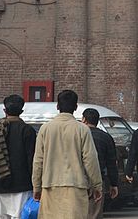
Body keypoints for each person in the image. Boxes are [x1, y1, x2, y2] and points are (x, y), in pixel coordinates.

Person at [31, 90, 103, 218]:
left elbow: (38, 161)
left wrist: (36, 187)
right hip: (76, 187)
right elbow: (90, 159)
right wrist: (97, 185)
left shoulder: (45, 129)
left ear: (57, 106)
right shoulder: (82, 129)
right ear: (76, 107)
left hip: (50, 187)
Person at [82, 108, 119, 219]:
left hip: (78, 179)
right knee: (95, 214)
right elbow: (111, 163)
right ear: (97, 121)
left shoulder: (78, 135)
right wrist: (114, 183)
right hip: (98, 179)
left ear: (84, 119)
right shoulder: (105, 137)